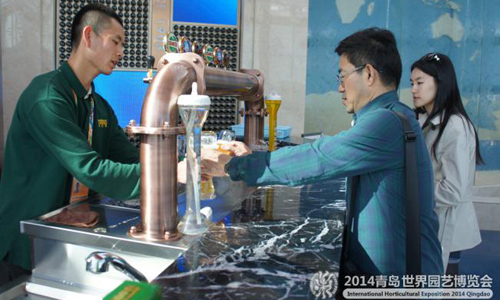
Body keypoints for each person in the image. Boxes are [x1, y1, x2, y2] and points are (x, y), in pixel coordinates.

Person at [202, 27, 444, 277]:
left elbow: (320, 158)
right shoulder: (392, 115)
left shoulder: (386, 122)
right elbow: (335, 149)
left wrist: (234, 166)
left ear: (369, 74)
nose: (340, 88)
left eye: (343, 76)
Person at [0, 4, 147, 283]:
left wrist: (175, 166)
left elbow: (130, 159)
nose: (121, 52)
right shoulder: (46, 97)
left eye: (123, 44)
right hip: (26, 242)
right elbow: (91, 169)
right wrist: (166, 173)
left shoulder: (98, 106)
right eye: (116, 41)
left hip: (68, 236)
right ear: (88, 36)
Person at [410, 53, 483, 274]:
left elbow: (453, 190)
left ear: (440, 83)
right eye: (412, 83)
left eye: (420, 83)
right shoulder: (423, 120)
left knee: (443, 285)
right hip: (430, 221)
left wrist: (410, 195)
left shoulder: (455, 127)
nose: (414, 89)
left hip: (446, 224)